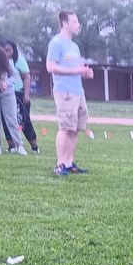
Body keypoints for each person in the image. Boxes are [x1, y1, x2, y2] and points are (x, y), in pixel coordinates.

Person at [46, 9, 93, 177]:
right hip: (64, 92)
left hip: (78, 91)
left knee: (75, 128)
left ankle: (69, 163)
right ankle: (60, 164)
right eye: (74, 21)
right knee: (65, 128)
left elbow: (76, 69)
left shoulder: (75, 47)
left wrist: (85, 73)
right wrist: (74, 70)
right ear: (65, 23)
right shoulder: (56, 43)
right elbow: (50, 67)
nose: (78, 24)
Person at [1, 41, 39, 153]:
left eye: (9, 50)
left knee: (23, 120)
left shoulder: (19, 61)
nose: (7, 53)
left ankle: (34, 146)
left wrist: (26, 94)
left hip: (18, 94)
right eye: (4, 50)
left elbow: (26, 77)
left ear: (13, 50)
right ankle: (12, 146)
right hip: (4, 95)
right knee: (6, 120)